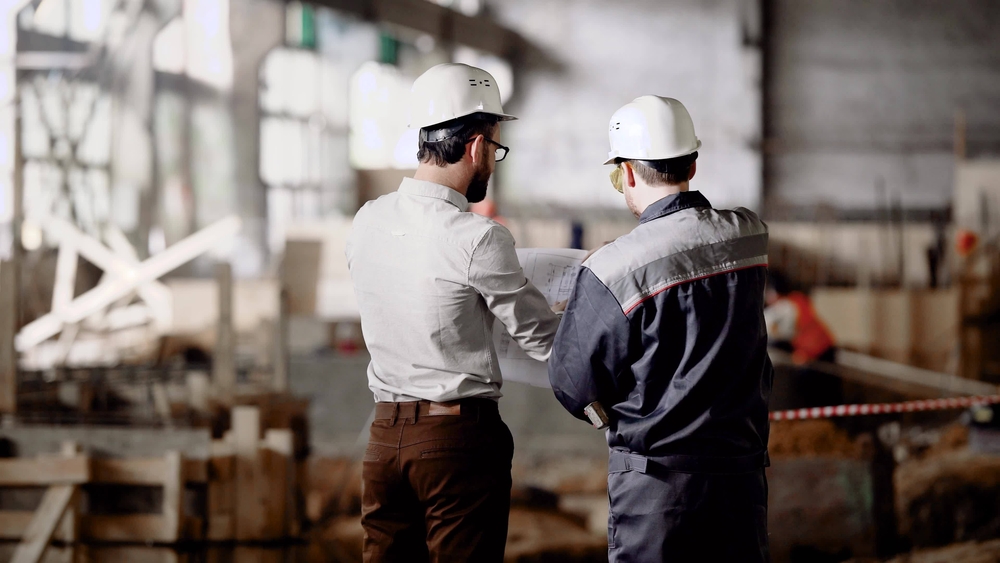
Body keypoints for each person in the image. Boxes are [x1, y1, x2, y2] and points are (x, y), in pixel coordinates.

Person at [345, 63, 560, 563]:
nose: (493, 161)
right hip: (455, 445)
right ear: (477, 146)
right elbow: (542, 340)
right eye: (496, 149)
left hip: (383, 443)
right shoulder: (477, 237)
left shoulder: (367, 221)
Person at [548, 96, 773, 562]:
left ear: (626, 173)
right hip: (741, 480)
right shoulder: (750, 235)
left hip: (657, 491)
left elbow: (572, 385)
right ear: (693, 160)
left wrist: (612, 416)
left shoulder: (612, 270)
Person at [764, 270, 837, 364]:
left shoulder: (790, 305)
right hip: (819, 350)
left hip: (818, 353)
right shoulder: (796, 300)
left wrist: (803, 352)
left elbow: (806, 328)